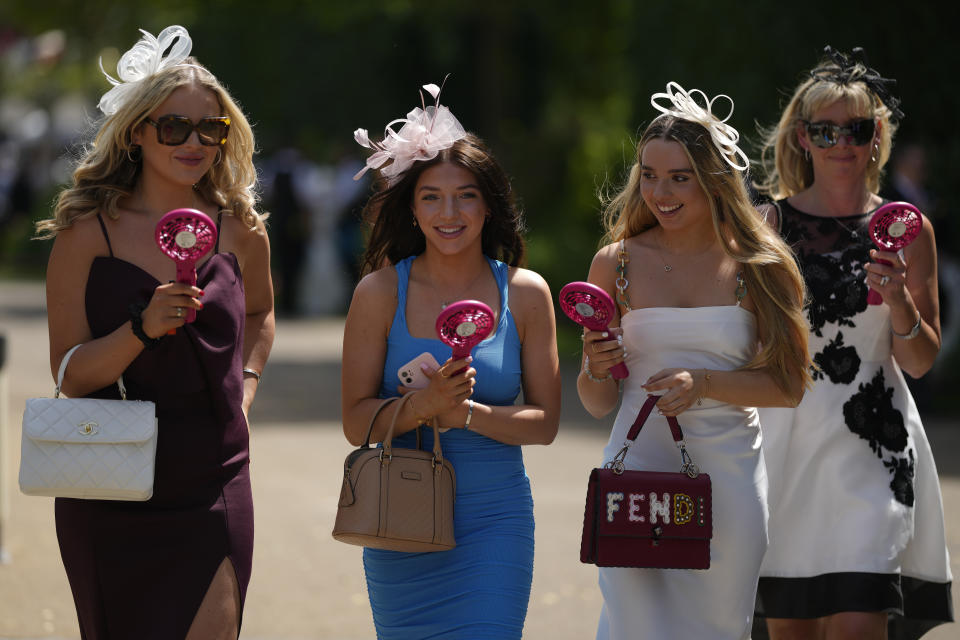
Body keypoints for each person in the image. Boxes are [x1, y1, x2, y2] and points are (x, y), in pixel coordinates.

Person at [35, 26, 273, 639]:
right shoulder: (86, 232)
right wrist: (140, 330)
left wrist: (245, 388)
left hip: (214, 472)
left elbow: (259, 315)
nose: (194, 142)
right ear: (139, 132)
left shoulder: (242, 229)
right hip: (109, 476)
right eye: (174, 127)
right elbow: (69, 372)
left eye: (210, 129)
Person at [577, 81, 813, 640]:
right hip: (632, 474)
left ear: (714, 179)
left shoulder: (760, 264)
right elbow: (597, 402)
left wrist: (704, 382)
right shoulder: (615, 263)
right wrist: (593, 365)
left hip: (727, 480)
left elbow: (789, 386)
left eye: (680, 177)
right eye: (650, 175)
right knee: (635, 626)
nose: (661, 191)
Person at [340, 80, 561, 639]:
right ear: (412, 209)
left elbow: (546, 423)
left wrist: (462, 414)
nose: (449, 212)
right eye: (431, 197)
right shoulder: (378, 293)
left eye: (465, 195)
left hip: (496, 519)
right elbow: (353, 422)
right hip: (400, 513)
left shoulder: (528, 293)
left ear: (489, 205)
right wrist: (421, 407)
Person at [753, 46, 953, 639]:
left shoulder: (910, 232)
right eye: (825, 129)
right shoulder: (765, 229)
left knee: (860, 621)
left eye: (857, 128)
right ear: (802, 138)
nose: (842, 142)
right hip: (784, 446)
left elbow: (919, 362)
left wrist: (900, 301)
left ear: (877, 136)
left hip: (874, 444)